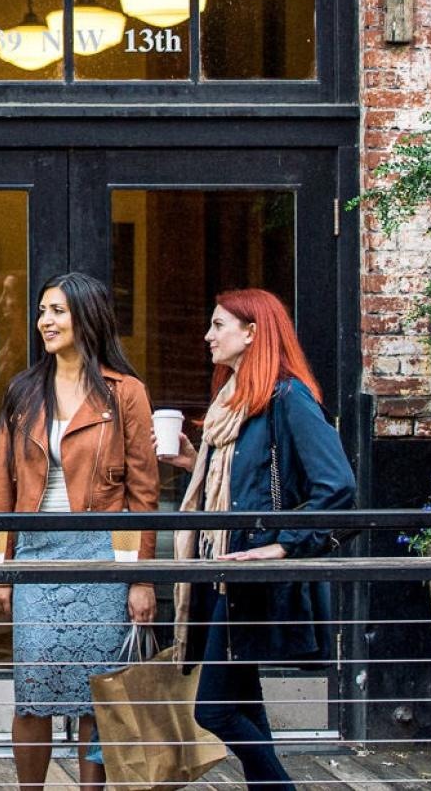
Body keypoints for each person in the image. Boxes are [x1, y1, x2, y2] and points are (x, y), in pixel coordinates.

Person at [161, 288, 356, 790]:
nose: (208, 335)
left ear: (252, 333)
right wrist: (191, 464)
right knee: (244, 706)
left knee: (214, 710)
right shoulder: (234, 404)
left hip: (252, 578)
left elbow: (337, 490)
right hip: (223, 573)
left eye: (219, 325)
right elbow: (239, 492)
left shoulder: (289, 398)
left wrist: (282, 543)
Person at [0, 272, 159, 791]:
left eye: (57, 310)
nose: (46, 321)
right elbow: (2, 485)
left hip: (104, 554)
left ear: (87, 316)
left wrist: (142, 577)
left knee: (96, 694)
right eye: (42, 311)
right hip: (37, 555)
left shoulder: (125, 393)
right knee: (32, 689)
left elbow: (143, 495)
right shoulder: (23, 392)